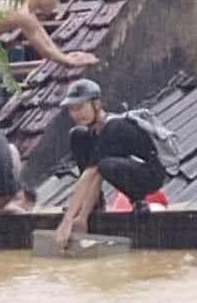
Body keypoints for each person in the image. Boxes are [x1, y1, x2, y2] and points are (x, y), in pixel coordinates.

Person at [54, 79, 167, 249]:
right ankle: (96, 204)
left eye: (80, 107)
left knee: (105, 165)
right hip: (118, 164)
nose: (76, 114)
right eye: (72, 109)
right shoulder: (92, 130)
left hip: (150, 174)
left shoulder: (112, 127)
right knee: (78, 135)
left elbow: (91, 174)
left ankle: (138, 200)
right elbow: (95, 175)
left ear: (97, 104)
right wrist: (83, 217)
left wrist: (67, 221)